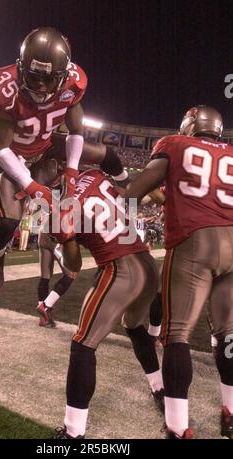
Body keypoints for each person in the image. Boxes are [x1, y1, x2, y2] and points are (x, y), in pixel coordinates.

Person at [0, 26, 128, 291]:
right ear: (21, 67)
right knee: (8, 222)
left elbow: (75, 132)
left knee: (105, 153)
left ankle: (126, 184)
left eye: (48, 79)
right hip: (15, 155)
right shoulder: (1, 88)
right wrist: (33, 187)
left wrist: (72, 171)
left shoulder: (73, 83)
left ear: (62, 75)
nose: (39, 85)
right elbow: (1, 149)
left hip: (47, 146)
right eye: (34, 76)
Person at [123, 105, 233, 439]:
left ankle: (177, 426)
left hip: (193, 244)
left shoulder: (175, 145)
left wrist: (127, 235)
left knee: (177, 334)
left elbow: (134, 191)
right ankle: (230, 412)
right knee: (228, 334)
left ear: (188, 127)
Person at [49, 166, 163, 439]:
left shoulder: (57, 206)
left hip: (120, 269)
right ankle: (160, 389)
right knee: (134, 326)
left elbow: (73, 264)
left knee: (83, 345)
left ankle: (73, 433)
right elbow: (130, 196)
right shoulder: (93, 174)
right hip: (147, 264)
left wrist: (63, 245)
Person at [36, 230, 76, 328]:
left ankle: (43, 318)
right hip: (55, 237)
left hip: (43, 234)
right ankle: (45, 306)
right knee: (71, 274)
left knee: (45, 276)